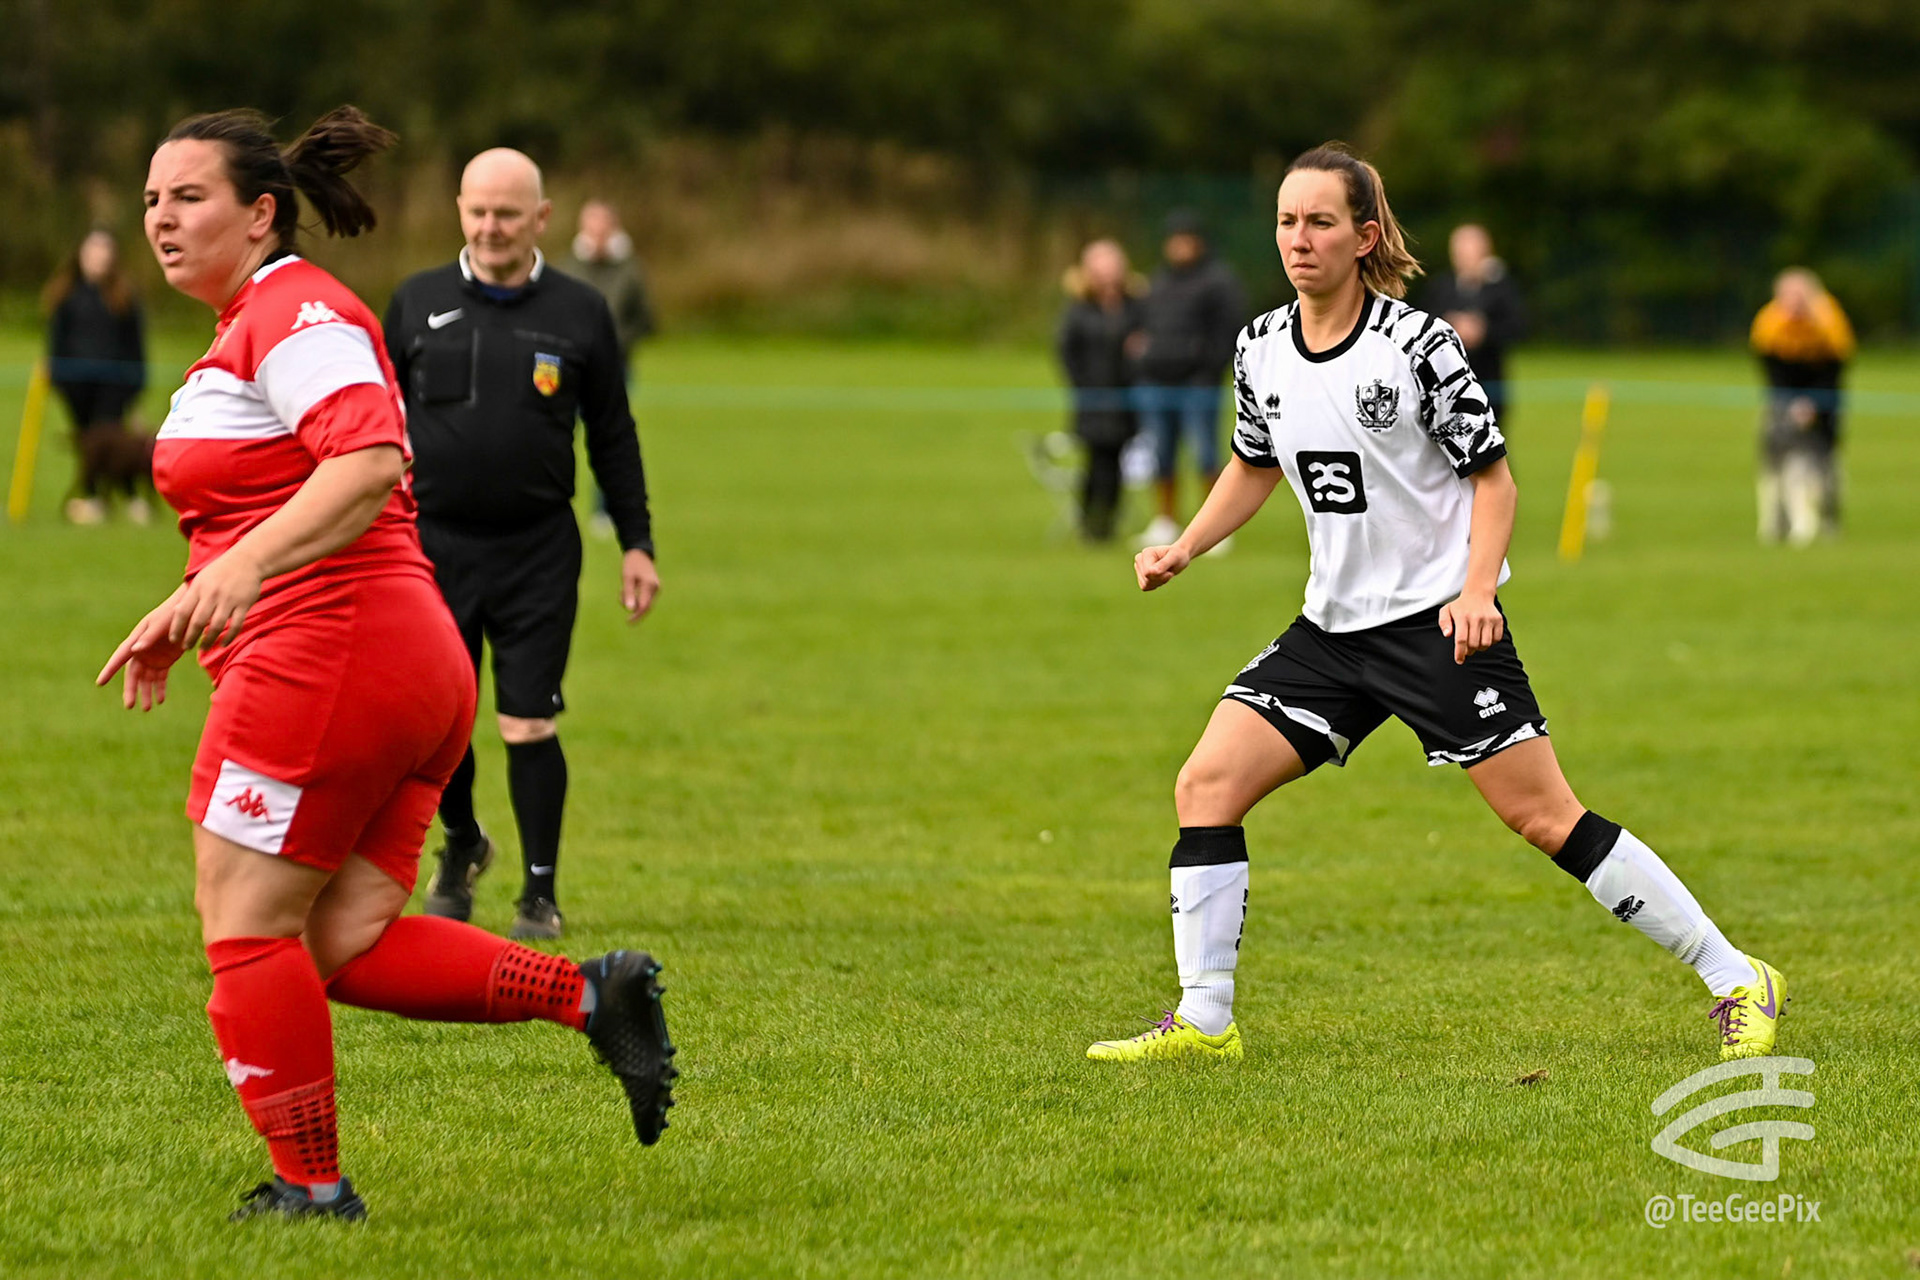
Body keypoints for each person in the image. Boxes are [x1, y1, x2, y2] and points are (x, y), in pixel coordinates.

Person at [1086, 143, 1784, 1066]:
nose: (1300, 239)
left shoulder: (1417, 345)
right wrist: (1185, 545)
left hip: (1438, 624)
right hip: (1331, 632)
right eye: (1288, 221)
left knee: (1547, 819)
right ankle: (1207, 1021)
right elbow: (1254, 464)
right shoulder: (1259, 347)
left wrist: (1476, 591)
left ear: (1365, 235)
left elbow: (1495, 482)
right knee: (1206, 786)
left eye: (1321, 221)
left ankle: (1737, 975)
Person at [100, 106, 677, 1223]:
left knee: (247, 923)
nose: (161, 218)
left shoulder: (296, 307)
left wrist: (242, 570)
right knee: (344, 938)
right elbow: (267, 502)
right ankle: (590, 993)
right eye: (151, 201)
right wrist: (190, 603)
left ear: (260, 214)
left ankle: (313, 1188)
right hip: (392, 655)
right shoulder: (251, 323)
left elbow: (366, 459)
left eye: (189, 196)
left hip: (329, 654)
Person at [386, 149, 660, 941]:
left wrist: (636, 542)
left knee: (527, 721)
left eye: (507, 213)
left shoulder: (579, 311)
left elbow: (613, 434)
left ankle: (540, 893)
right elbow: (371, 424)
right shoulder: (416, 302)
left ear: (541, 218)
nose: (491, 226)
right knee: (439, 725)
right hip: (431, 547)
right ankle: (463, 843)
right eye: (477, 211)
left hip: (538, 549)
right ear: (459, 210)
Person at [1132, 210, 1246, 549]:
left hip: (1198, 385)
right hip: (1157, 382)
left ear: (1199, 243)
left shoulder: (1219, 282)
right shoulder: (1158, 282)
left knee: (1206, 455)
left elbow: (1230, 331)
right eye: (1174, 241)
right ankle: (1166, 520)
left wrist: (1208, 367)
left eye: (1186, 240)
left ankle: (1216, 527)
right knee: (1161, 455)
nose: (1179, 247)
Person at [562, 198, 657, 540]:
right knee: (559, 435)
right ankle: (555, 503)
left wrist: (614, 343)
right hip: (571, 369)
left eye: (602, 226)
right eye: (591, 226)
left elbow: (645, 320)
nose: (597, 233)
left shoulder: (630, 269)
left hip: (615, 369)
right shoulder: (568, 268)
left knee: (610, 440)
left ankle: (606, 511)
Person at [44, 228, 152, 525]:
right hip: (76, 385)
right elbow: (56, 341)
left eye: (104, 251)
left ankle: (130, 498)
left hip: (114, 385)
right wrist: (58, 377)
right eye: (93, 250)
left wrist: (135, 383)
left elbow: (135, 345)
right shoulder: (66, 295)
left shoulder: (124, 297)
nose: (98, 257)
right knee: (89, 446)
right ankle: (93, 499)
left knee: (114, 444)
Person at [1751, 268, 1853, 546]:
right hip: (1784, 394)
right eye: (1788, 297)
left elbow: (1834, 370)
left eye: (1800, 297)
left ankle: (1829, 518)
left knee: (1826, 460)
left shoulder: (1830, 322)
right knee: (1774, 458)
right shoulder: (1768, 322)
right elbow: (1772, 370)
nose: (1794, 304)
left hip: (1823, 394)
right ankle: (1776, 522)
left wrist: (1815, 404)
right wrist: (1790, 403)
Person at [1056, 239, 1143, 542]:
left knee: (1117, 461)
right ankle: (1089, 521)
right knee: (1095, 460)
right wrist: (1083, 385)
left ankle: (1108, 521)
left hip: (1126, 398)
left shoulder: (1135, 306)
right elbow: (1066, 351)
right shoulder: (1079, 309)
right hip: (1092, 399)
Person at [1421, 223, 1526, 421]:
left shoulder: (1501, 288)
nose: (1464, 257)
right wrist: (1451, 326)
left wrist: (1483, 331)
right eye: (1460, 251)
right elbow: (1424, 326)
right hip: (1445, 386)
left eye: (1470, 251)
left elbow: (1517, 326)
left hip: (1488, 383)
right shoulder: (1440, 287)